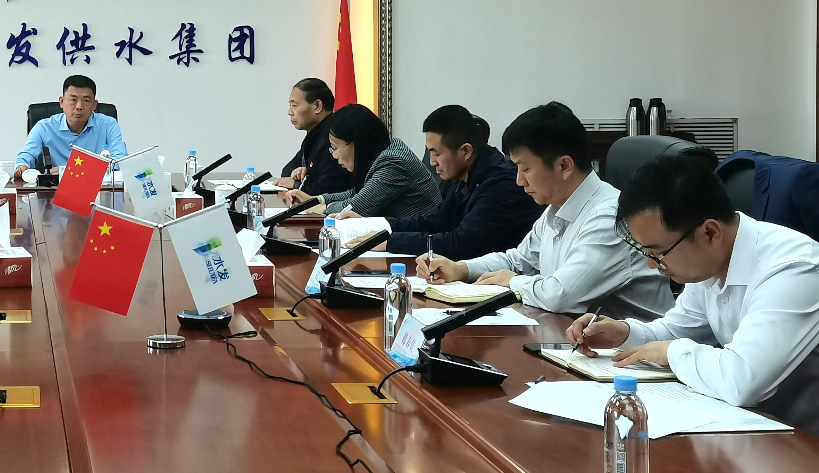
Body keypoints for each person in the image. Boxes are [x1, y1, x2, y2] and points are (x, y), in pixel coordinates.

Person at [568, 153, 819, 433]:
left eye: (658, 253)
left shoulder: (794, 270)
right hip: (753, 426)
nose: (651, 265)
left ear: (710, 233)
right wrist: (624, 334)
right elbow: (676, 331)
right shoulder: (710, 262)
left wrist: (671, 352)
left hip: (804, 441)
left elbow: (741, 381)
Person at [419, 102, 672, 318]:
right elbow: (517, 260)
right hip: (578, 340)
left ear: (564, 166)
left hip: (634, 353)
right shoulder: (555, 209)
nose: (519, 180)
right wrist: (461, 269)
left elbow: (559, 295)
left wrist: (512, 281)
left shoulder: (608, 218)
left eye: (525, 169)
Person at [387, 105, 540, 258]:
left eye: (436, 153)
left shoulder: (501, 185)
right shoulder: (462, 176)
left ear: (465, 151)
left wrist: (391, 241)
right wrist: (380, 229)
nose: (432, 162)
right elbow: (435, 222)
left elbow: (462, 244)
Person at [286, 103, 440, 220]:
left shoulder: (393, 163)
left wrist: (313, 208)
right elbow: (357, 193)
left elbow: (355, 207)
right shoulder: (382, 153)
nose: (334, 155)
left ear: (357, 143)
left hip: (421, 243)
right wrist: (315, 200)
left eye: (335, 148)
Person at [16, 74, 126, 172]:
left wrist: (72, 170)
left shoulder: (108, 125)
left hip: (98, 187)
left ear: (94, 105)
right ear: (62, 102)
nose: (79, 106)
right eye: (73, 100)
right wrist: (22, 167)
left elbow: (120, 162)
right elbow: (26, 156)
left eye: (86, 101)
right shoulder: (44, 128)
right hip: (56, 187)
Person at [280, 78, 340, 195]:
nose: (290, 112)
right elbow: (287, 171)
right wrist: (297, 175)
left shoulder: (334, 137)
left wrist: (297, 184)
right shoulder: (313, 135)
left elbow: (328, 188)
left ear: (317, 106)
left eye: (294, 105)